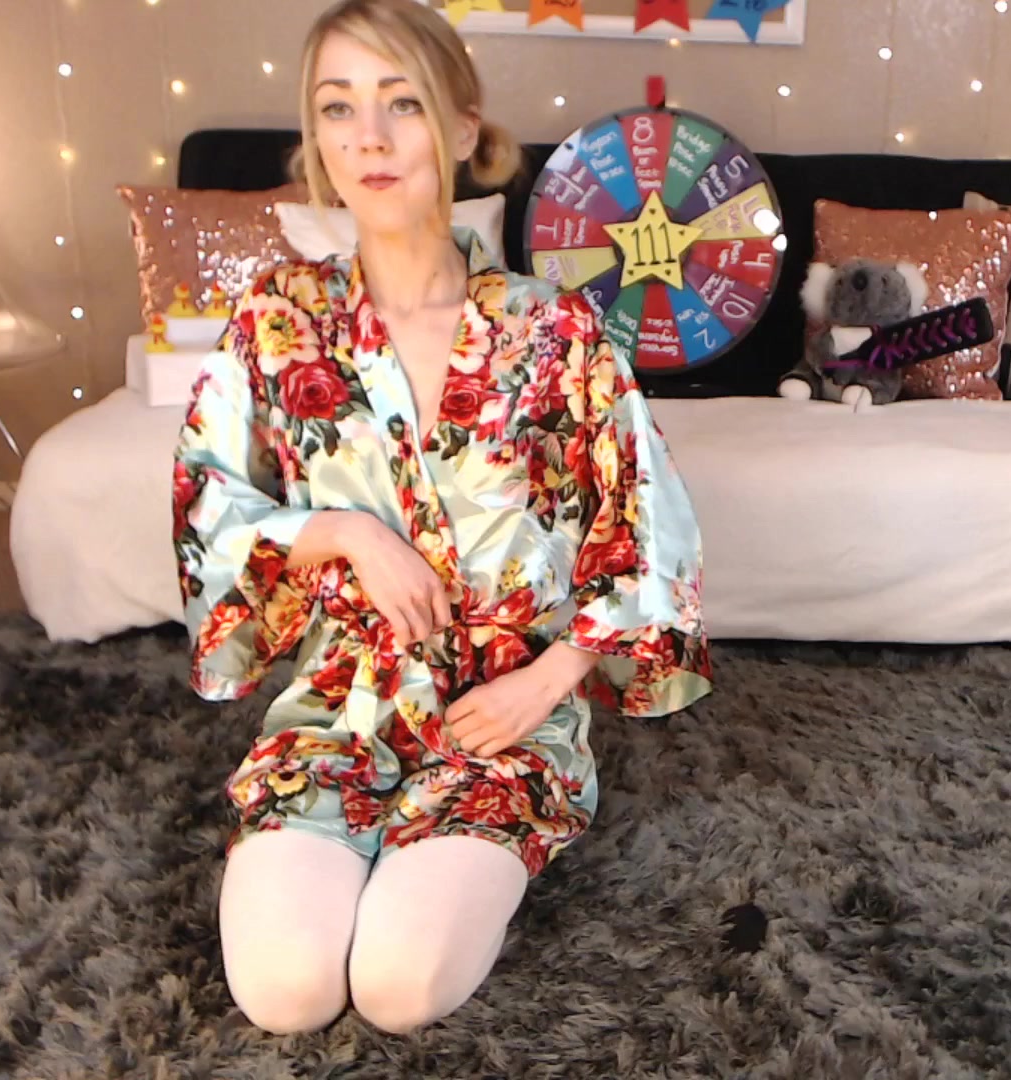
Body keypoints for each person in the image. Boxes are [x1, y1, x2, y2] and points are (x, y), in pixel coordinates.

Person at [172, 0, 712, 1038]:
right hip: (340, 710)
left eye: (402, 104)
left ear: (463, 129)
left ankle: (488, 835)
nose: (368, 138)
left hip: (501, 719)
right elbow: (209, 506)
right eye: (338, 108)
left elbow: (650, 526)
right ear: (318, 138)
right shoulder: (277, 322)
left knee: (398, 987)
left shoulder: (552, 329)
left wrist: (545, 684)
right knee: (285, 992)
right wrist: (345, 533)